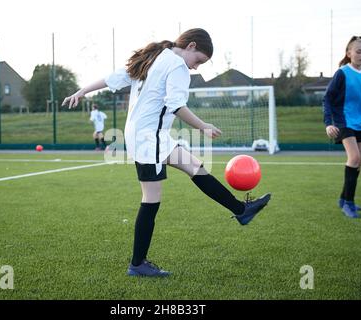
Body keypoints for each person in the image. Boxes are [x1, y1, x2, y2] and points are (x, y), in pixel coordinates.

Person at [62, 28, 271, 277]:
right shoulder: (177, 66)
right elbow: (176, 106)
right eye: (199, 61)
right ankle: (138, 264)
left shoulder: (154, 56)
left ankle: (241, 211)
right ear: (191, 46)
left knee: (195, 167)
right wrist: (202, 126)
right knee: (151, 198)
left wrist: (82, 91)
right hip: (148, 138)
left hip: (150, 135)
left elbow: (112, 79)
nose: (196, 68)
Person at [323, 35, 361, 218]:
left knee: (359, 163)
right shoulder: (342, 73)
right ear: (349, 53)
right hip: (343, 121)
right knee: (353, 158)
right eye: (358, 51)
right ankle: (349, 203)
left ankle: (343, 198)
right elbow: (328, 98)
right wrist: (328, 123)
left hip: (360, 123)